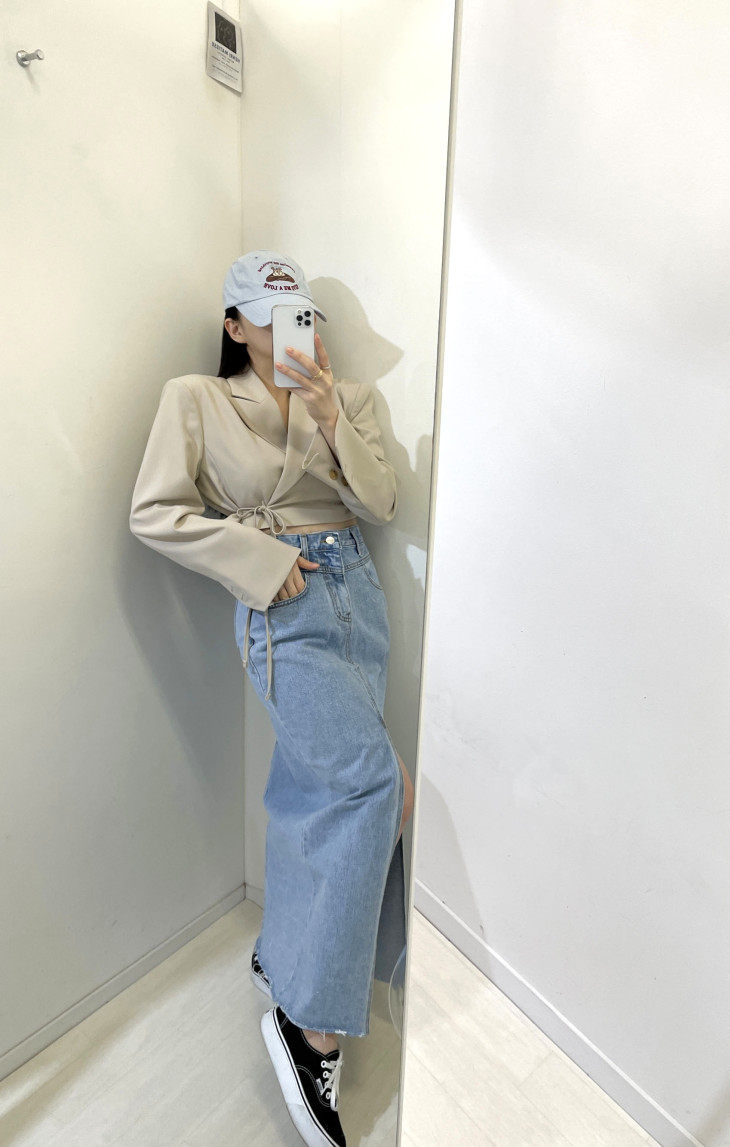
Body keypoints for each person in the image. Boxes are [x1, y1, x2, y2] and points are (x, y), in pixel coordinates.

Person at [128, 251, 414, 1147]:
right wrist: (259, 561)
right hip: (283, 604)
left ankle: (282, 957)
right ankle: (311, 1028)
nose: (298, 331)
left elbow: (381, 502)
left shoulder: (348, 397)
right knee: (373, 787)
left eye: (305, 315)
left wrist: (328, 412)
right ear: (235, 325)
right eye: (272, 315)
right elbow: (155, 511)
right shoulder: (197, 399)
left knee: (314, 790)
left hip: (358, 599)